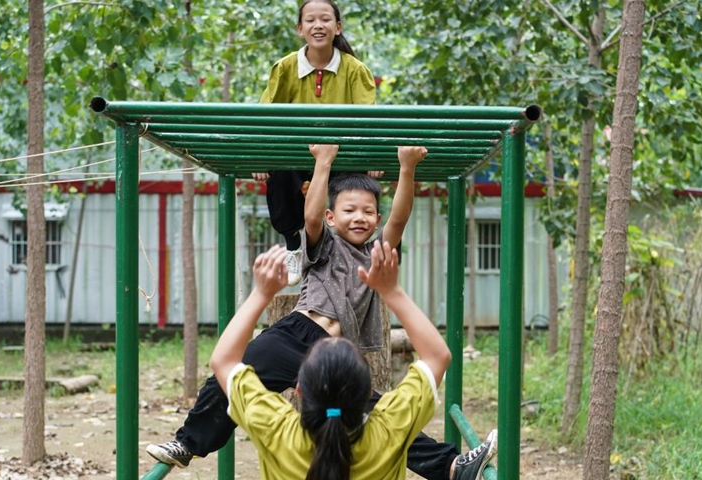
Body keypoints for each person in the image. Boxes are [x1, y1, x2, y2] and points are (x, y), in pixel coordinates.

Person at [147, 145, 495, 480]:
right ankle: (187, 443)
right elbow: (310, 216)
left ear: (376, 219)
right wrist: (324, 160)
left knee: (380, 420)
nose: (359, 217)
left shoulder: (378, 254)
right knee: (226, 379)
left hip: (335, 355)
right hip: (295, 333)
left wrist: (407, 170)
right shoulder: (324, 245)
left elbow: (400, 218)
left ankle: (450, 467)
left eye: (368, 211)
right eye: (349, 210)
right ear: (332, 217)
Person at [211, 241, 498, 480]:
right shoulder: (389, 428)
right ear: (367, 394)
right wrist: (391, 291)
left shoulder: (275, 429)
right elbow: (438, 356)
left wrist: (261, 293)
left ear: (298, 389)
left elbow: (223, 361)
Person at [254, 0, 380, 286]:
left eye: (325, 20)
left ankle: (350, 252)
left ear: (337, 27)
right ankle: (293, 243)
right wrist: (261, 159)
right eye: (310, 20)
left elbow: (369, 119)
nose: (318, 25)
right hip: (297, 153)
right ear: (300, 29)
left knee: (357, 189)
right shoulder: (285, 68)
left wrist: (372, 159)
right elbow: (264, 116)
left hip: (342, 155)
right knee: (280, 174)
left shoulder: (355, 69)